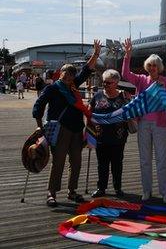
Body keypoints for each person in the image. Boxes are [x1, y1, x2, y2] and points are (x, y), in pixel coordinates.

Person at [32, 39, 101, 207]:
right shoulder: (52, 89)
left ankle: (72, 191)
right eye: (66, 73)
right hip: (60, 129)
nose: (69, 75)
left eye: (71, 73)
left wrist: (96, 54)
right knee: (59, 162)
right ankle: (52, 192)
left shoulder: (74, 86)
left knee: (76, 161)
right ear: (60, 73)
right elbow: (38, 106)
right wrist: (40, 125)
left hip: (77, 129)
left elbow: (86, 71)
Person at [122, 38, 166, 203]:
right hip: (143, 122)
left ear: (159, 67)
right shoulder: (142, 80)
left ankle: (165, 192)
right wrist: (127, 55)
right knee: (145, 159)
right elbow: (125, 74)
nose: (152, 68)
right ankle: (146, 190)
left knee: (162, 158)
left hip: (160, 124)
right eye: (149, 65)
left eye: (155, 65)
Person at [90, 69, 129, 198]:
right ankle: (101, 188)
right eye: (104, 82)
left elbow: (130, 113)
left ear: (116, 83)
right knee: (102, 164)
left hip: (118, 137)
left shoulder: (123, 97)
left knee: (117, 163)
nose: (105, 85)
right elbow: (90, 113)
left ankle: (118, 188)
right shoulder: (97, 96)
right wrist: (88, 133)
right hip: (100, 136)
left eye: (108, 83)